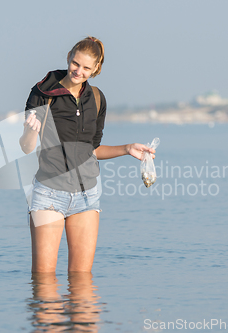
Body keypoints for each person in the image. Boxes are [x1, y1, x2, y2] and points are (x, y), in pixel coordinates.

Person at [19, 36, 155, 273]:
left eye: (86, 68)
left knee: (82, 284)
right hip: (49, 195)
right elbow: (26, 147)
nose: (78, 71)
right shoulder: (43, 92)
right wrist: (31, 130)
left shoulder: (98, 98)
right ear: (69, 57)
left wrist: (126, 149)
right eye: (75, 63)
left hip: (87, 197)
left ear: (96, 69)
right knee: (44, 282)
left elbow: (91, 149)